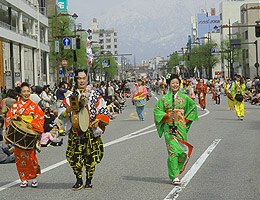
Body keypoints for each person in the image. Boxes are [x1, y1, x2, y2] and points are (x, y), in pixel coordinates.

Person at [58, 69, 109, 190]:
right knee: (74, 158)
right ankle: (79, 179)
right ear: (76, 79)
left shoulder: (95, 95)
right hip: (75, 132)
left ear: (87, 79)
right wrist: (67, 111)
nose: (81, 80)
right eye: (79, 78)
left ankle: (89, 180)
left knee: (90, 157)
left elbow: (103, 110)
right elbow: (60, 115)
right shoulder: (69, 96)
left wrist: (98, 120)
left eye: (83, 78)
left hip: (90, 131)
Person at [154, 74, 198, 185]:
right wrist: (166, 116)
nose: (175, 85)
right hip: (169, 129)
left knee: (183, 152)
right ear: (169, 84)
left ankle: (175, 169)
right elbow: (157, 111)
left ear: (179, 84)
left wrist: (185, 121)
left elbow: (193, 108)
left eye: (177, 83)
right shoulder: (164, 99)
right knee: (173, 152)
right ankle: (175, 176)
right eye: (173, 83)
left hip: (181, 128)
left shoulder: (184, 98)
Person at [5, 82, 44, 188]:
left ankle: (34, 177)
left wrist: (33, 125)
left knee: (31, 157)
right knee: (19, 158)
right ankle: (24, 178)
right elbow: (8, 118)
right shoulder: (15, 106)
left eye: (28, 91)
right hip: (19, 135)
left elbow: (40, 117)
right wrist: (13, 118)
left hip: (29, 134)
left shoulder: (34, 106)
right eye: (24, 91)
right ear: (20, 93)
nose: (26, 93)